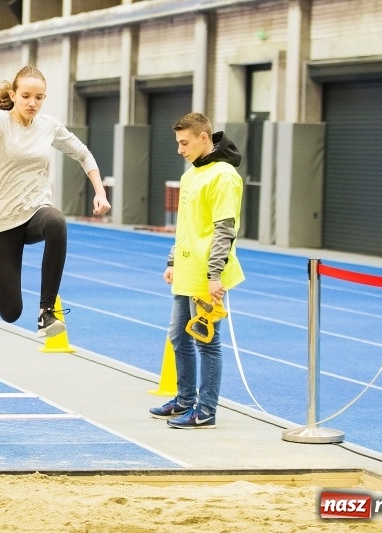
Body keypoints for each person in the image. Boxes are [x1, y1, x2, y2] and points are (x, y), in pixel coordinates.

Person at [0, 65, 111, 338]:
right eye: (26, 96)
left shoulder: (49, 127)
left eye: (38, 97)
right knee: (10, 312)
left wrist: (100, 191)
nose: (32, 103)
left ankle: (46, 313)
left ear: (45, 98)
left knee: (57, 222)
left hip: (35, 211)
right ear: (13, 95)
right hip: (2, 219)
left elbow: (83, 154)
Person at [149, 112, 245, 429]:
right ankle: (185, 399)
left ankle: (205, 410)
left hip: (207, 275)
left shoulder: (225, 176)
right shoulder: (191, 175)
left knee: (207, 342)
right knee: (179, 337)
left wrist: (214, 275)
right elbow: (185, 226)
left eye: (184, 143)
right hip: (187, 271)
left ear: (204, 138)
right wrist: (173, 260)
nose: (180, 149)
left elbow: (224, 230)